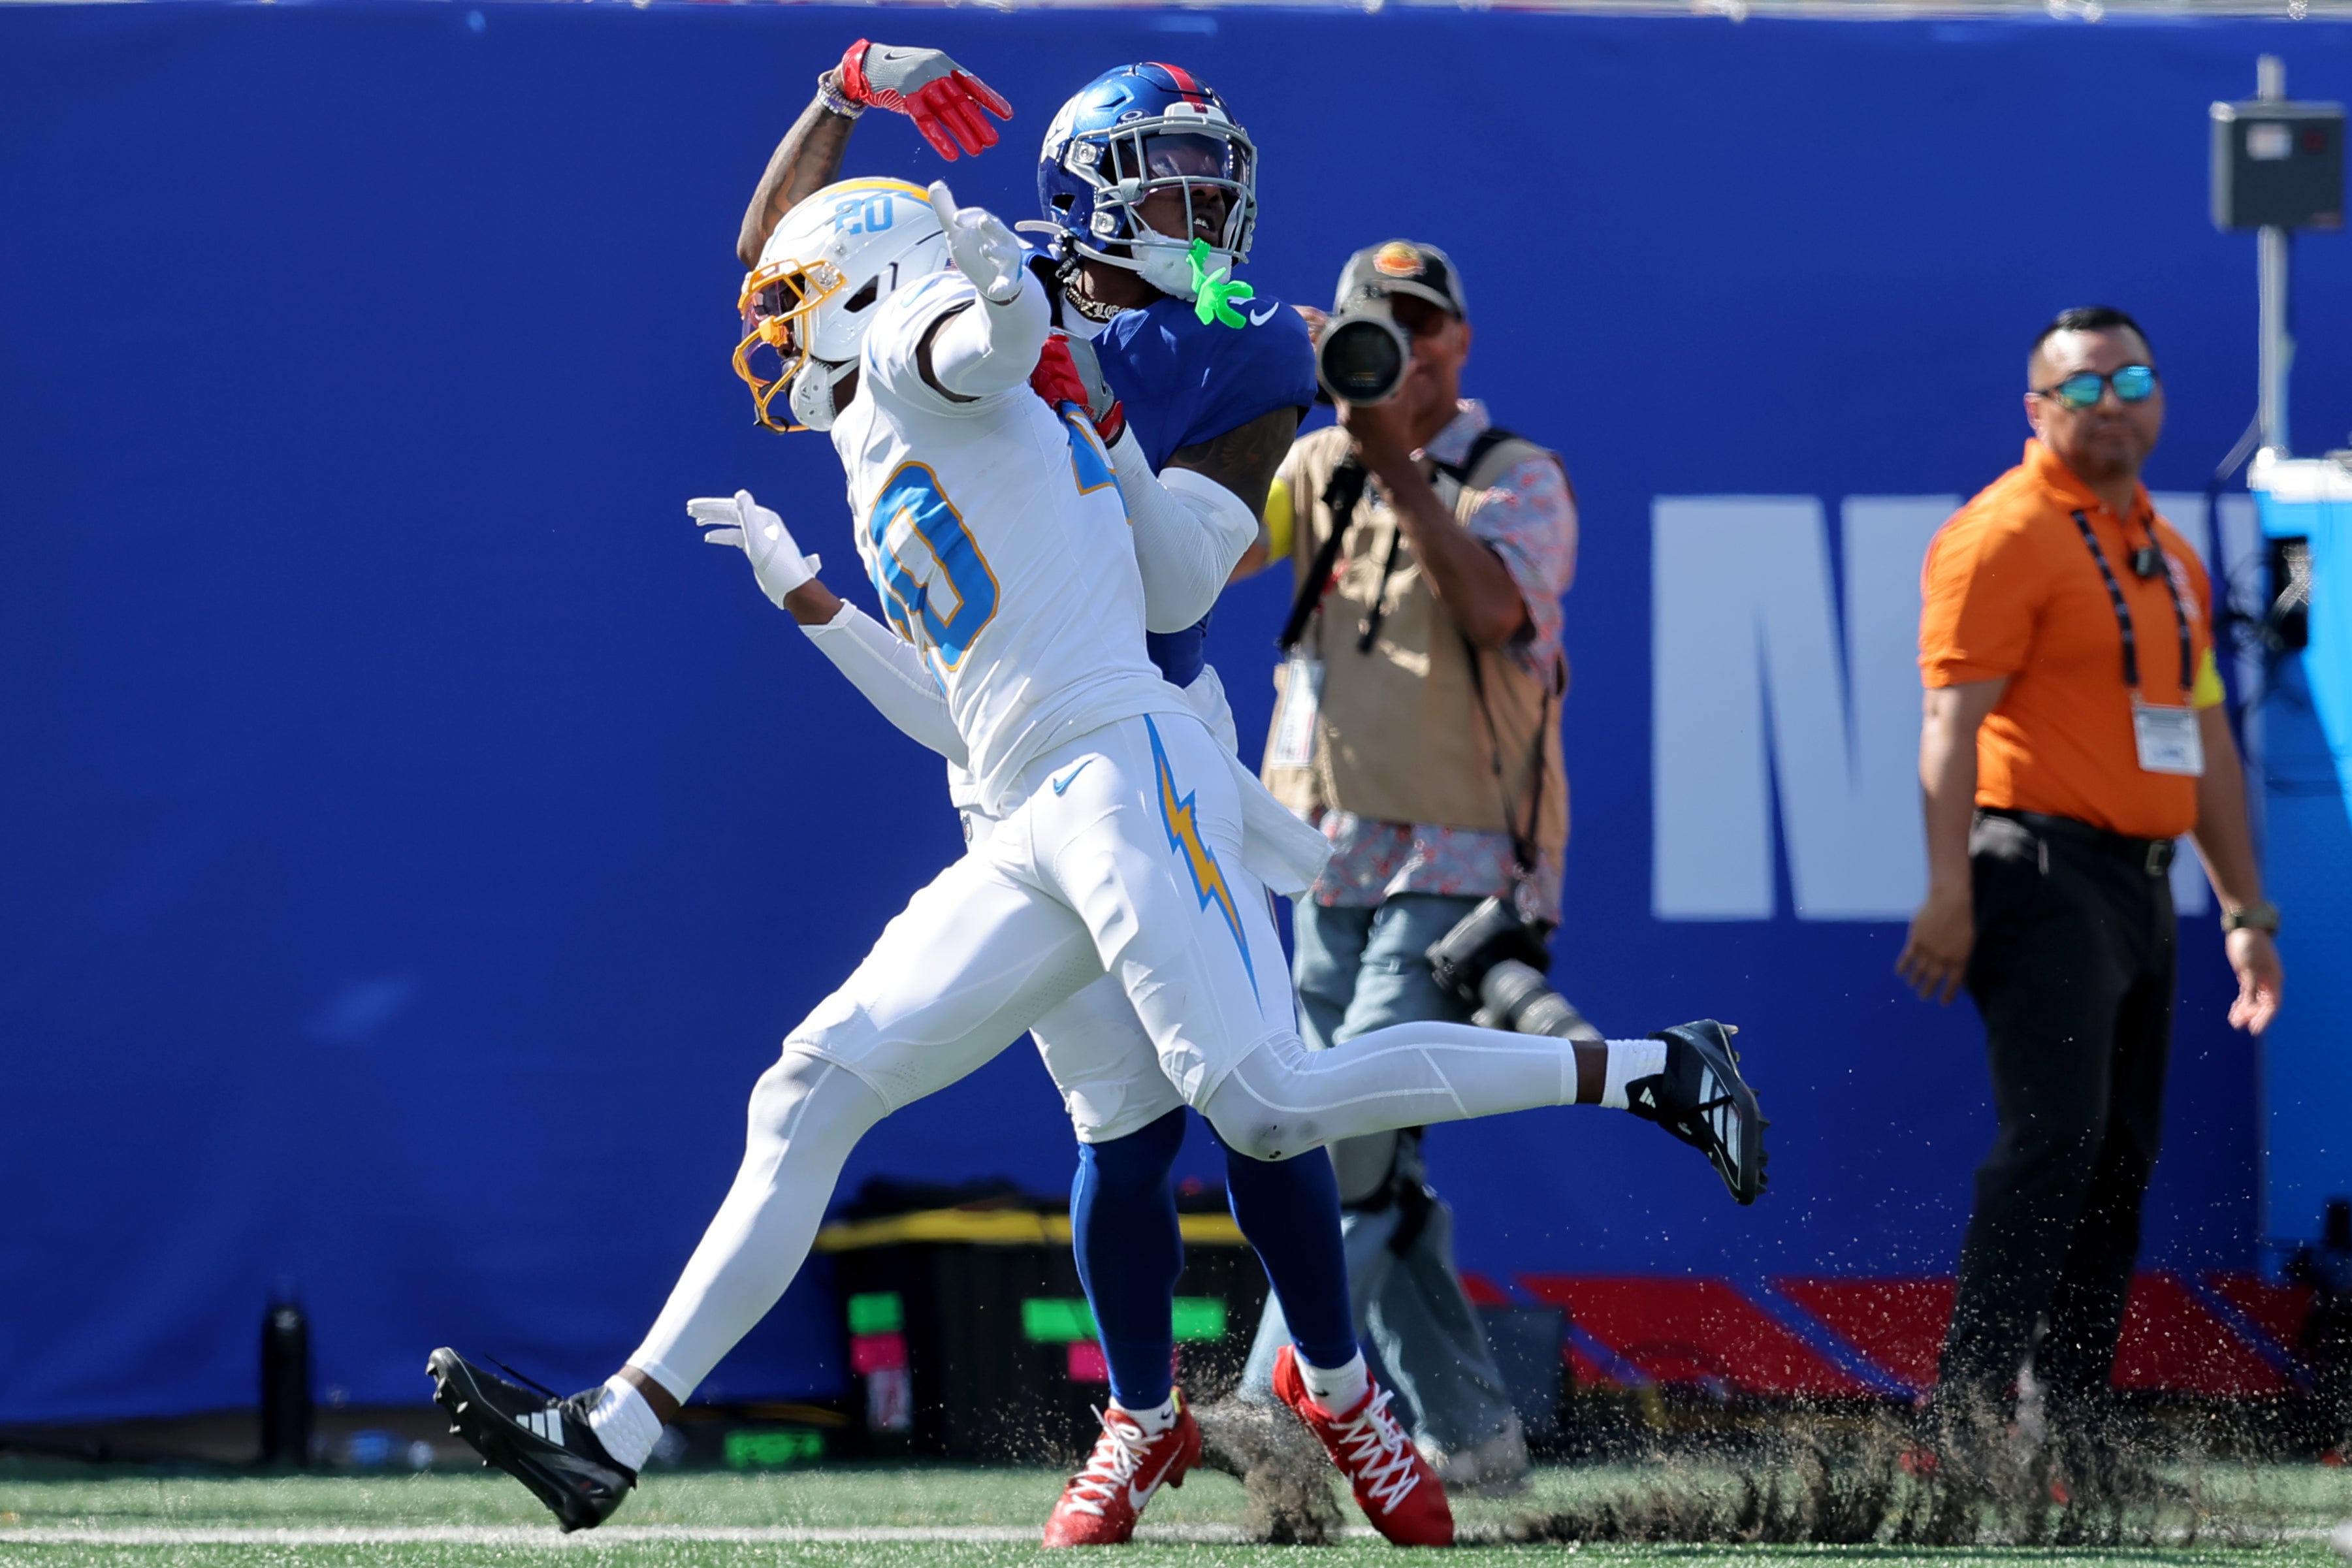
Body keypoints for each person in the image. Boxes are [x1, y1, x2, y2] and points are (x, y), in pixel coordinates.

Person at [428, 176, 1764, 1537]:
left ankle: (1652, 1069)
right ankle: (614, 1428)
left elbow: (995, 338)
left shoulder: (923, 339)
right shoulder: (881, 428)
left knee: (1265, 1104)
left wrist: (997, 279)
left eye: (792, 298)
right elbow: (956, 715)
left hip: (1120, 767)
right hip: (1025, 809)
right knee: (809, 1089)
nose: (774, 329)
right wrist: (814, 601)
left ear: (872, 279)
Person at [725, 50, 1442, 1546]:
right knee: (1121, 1129)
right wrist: (845, 91)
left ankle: (1338, 1387)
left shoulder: (1247, 339)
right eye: (1175, 184)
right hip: (1012, 739)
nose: (1207, 214)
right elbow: (775, 264)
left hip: (1154, 722)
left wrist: (1121, 410)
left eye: (1217, 185)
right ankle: (1140, 1413)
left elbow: (1184, 579)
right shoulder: (984, 274)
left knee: (1256, 1097)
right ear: (1088, 190)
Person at [1230, 241, 1612, 1490]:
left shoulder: (1515, 474)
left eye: (1421, 321)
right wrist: (1256, 381)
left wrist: (1393, 456)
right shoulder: (1313, 461)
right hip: (1318, 849)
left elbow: (1498, 613)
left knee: (1337, 1133)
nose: (1401, 343)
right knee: (1373, 1161)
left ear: (1460, 340)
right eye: (1373, 322)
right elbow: (1201, 558)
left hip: (1464, 857)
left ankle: (1270, 1411)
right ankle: (1477, 1437)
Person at [1897, 305, 2284, 1460]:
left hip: (2141, 886)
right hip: (2036, 873)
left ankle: (2067, 1434)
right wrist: (1946, 889)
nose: (2109, 403)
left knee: (2117, 1159)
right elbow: (1947, 726)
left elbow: (2203, 742)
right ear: (2036, 408)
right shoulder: (2000, 533)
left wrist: (2245, 910)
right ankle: (1965, 1427)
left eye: (2131, 381)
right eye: (2081, 386)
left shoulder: (2166, 552)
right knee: (2054, 1139)